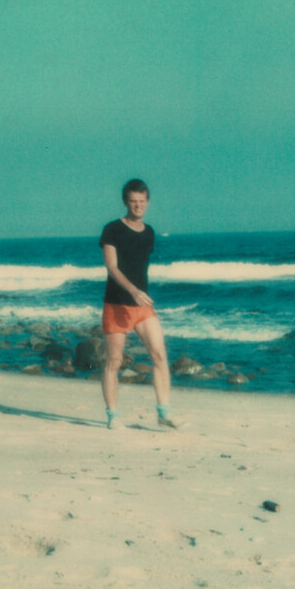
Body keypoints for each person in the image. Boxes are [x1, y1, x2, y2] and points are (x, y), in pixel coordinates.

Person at [99, 178, 178, 429]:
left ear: (148, 202)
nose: (137, 206)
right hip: (117, 304)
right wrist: (133, 290)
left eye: (141, 202)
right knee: (114, 362)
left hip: (142, 306)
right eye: (133, 201)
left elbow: (138, 266)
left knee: (159, 355)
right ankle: (113, 416)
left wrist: (139, 294)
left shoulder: (149, 233)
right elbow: (112, 267)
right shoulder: (112, 229)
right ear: (126, 202)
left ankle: (164, 413)